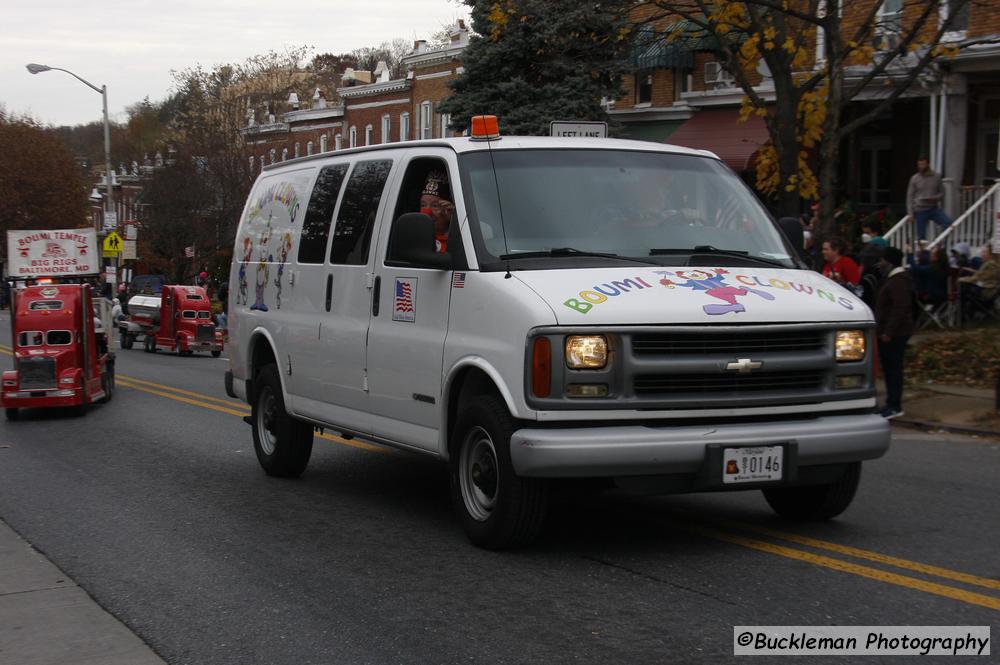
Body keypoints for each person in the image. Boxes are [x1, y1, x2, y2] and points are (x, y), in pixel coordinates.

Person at [874, 246, 915, 419]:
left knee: (893, 369)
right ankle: (891, 403)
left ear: (889, 262)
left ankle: (894, 404)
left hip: (895, 333)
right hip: (893, 331)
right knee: (891, 368)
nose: (879, 264)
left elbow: (900, 307)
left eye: (882, 260)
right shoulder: (896, 279)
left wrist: (888, 332)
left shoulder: (898, 281)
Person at [907, 157, 952, 240]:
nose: (921, 166)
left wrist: (935, 198)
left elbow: (942, 193)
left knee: (948, 223)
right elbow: (910, 196)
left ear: (927, 164)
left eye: (923, 164)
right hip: (920, 210)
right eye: (919, 164)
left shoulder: (936, 177)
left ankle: (939, 243)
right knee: (921, 236)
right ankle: (924, 252)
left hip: (933, 208)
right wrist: (910, 213)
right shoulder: (914, 178)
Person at [419, 170, 454, 253]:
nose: (427, 212)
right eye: (423, 205)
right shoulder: (412, 236)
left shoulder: (461, 239)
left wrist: (455, 221)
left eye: (435, 206)